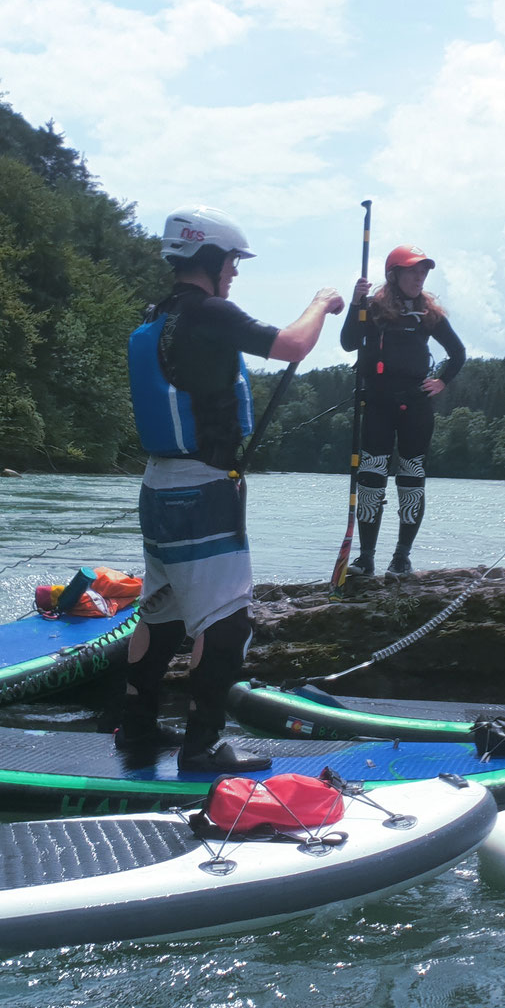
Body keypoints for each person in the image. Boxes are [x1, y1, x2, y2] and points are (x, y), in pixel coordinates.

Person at [122, 206, 343, 771]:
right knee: (227, 622)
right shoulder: (208, 313)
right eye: (233, 263)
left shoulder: (159, 317)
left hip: (158, 486)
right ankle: (203, 745)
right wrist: (323, 301)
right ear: (212, 259)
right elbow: (292, 345)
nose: (235, 274)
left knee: (162, 615)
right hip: (202, 491)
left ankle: (138, 728)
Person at [341, 244, 466, 576]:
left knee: (411, 478)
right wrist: (356, 303)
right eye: (413, 271)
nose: (419, 277)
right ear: (393, 275)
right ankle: (366, 557)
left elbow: (457, 353)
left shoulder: (429, 314)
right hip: (379, 402)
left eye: (423, 271)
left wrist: (441, 381)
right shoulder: (372, 309)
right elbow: (348, 342)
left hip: (416, 405)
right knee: (371, 478)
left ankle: (401, 557)